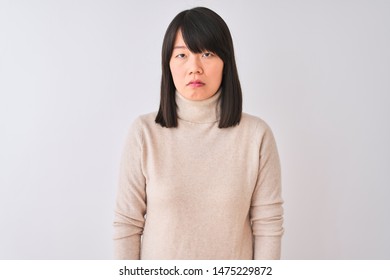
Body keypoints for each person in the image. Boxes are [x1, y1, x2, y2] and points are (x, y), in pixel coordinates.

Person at [113, 6, 284, 260]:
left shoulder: (256, 136)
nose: (194, 67)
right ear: (168, 65)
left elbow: (268, 225)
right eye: (181, 55)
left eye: (206, 53)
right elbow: (127, 224)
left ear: (225, 62)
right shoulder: (144, 133)